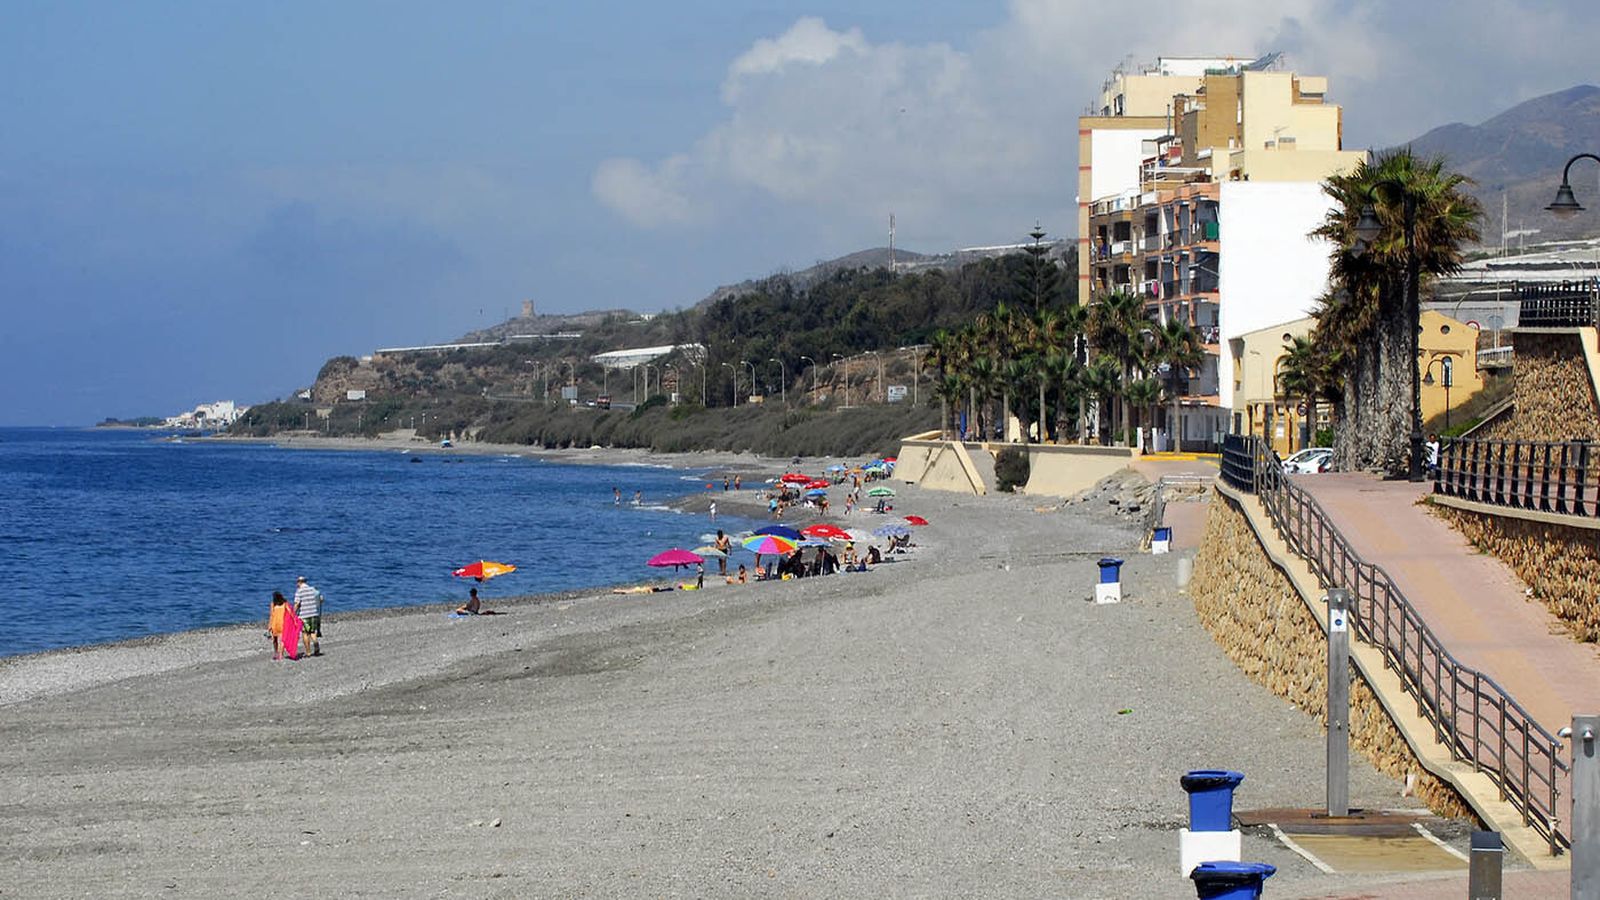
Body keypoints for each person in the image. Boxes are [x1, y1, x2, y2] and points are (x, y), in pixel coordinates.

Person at [293, 576, 323, 657]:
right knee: (312, 632)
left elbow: (297, 604)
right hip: (314, 613)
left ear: (299, 582)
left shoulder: (299, 591)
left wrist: (293, 613)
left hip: (304, 616)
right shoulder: (312, 589)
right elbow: (321, 598)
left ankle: (308, 652)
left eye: (297, 582)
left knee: (305, 633)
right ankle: (316, 643)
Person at [267, 591, 289, 660]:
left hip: (275, 624)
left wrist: (269, 626)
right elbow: (290, 612)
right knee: (282, 640)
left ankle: (276, 653)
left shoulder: (273, 604)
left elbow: (271, 615)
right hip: (282, 623)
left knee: (275, 640)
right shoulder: (285, 603)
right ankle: (280, 655)